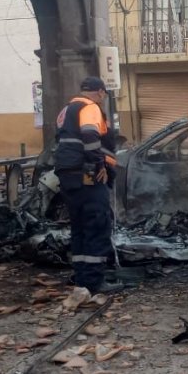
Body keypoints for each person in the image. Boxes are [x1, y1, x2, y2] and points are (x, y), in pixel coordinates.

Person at [54, 77, 122, 294]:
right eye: (103, 94)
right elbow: (90, 134)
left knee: (80, 228)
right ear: (100, 92)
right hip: (88, 175)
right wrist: (98, 163)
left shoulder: (67, 110)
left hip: (69, 175)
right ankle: (94, 281)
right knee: (96, 225)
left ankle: (82, 278)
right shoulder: (90, 107)